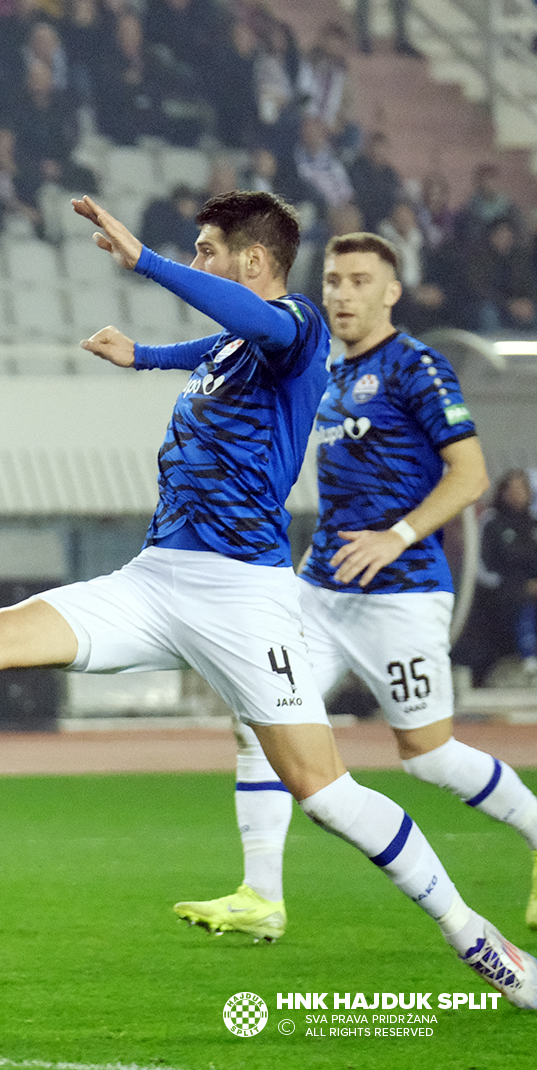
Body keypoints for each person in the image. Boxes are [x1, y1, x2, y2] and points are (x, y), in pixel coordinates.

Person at [0, 191, 537, 1006]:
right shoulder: (231, 348)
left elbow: (241, 318)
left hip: (242, 597)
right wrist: (141, 355)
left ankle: (474, 936)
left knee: (324, 793)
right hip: (154, 579)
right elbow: (206, 343)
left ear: (253, 262)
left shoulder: (299, 330)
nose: (198, 262)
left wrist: (147, 259)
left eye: (207, 250)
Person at [173, 232, 537, 942]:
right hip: (321, 591)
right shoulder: (332, 375)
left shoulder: (417, 367)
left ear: (391, 292)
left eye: (359, 281)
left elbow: (471, 475)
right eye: (334, 281)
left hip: (400, 592)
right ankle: (262, 896)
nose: (342, 294)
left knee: (429, 757)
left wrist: (397, 535)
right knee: (258, 718)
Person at [454, 471, 537, 688]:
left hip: (530, 589)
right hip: (497, 593)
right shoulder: (491, 521)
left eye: (522, 489)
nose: (518, 495)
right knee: (522, 605)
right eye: (513, 489)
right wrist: (514, 586)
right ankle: (529, 664)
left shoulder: (532, 524)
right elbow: (479, 567)